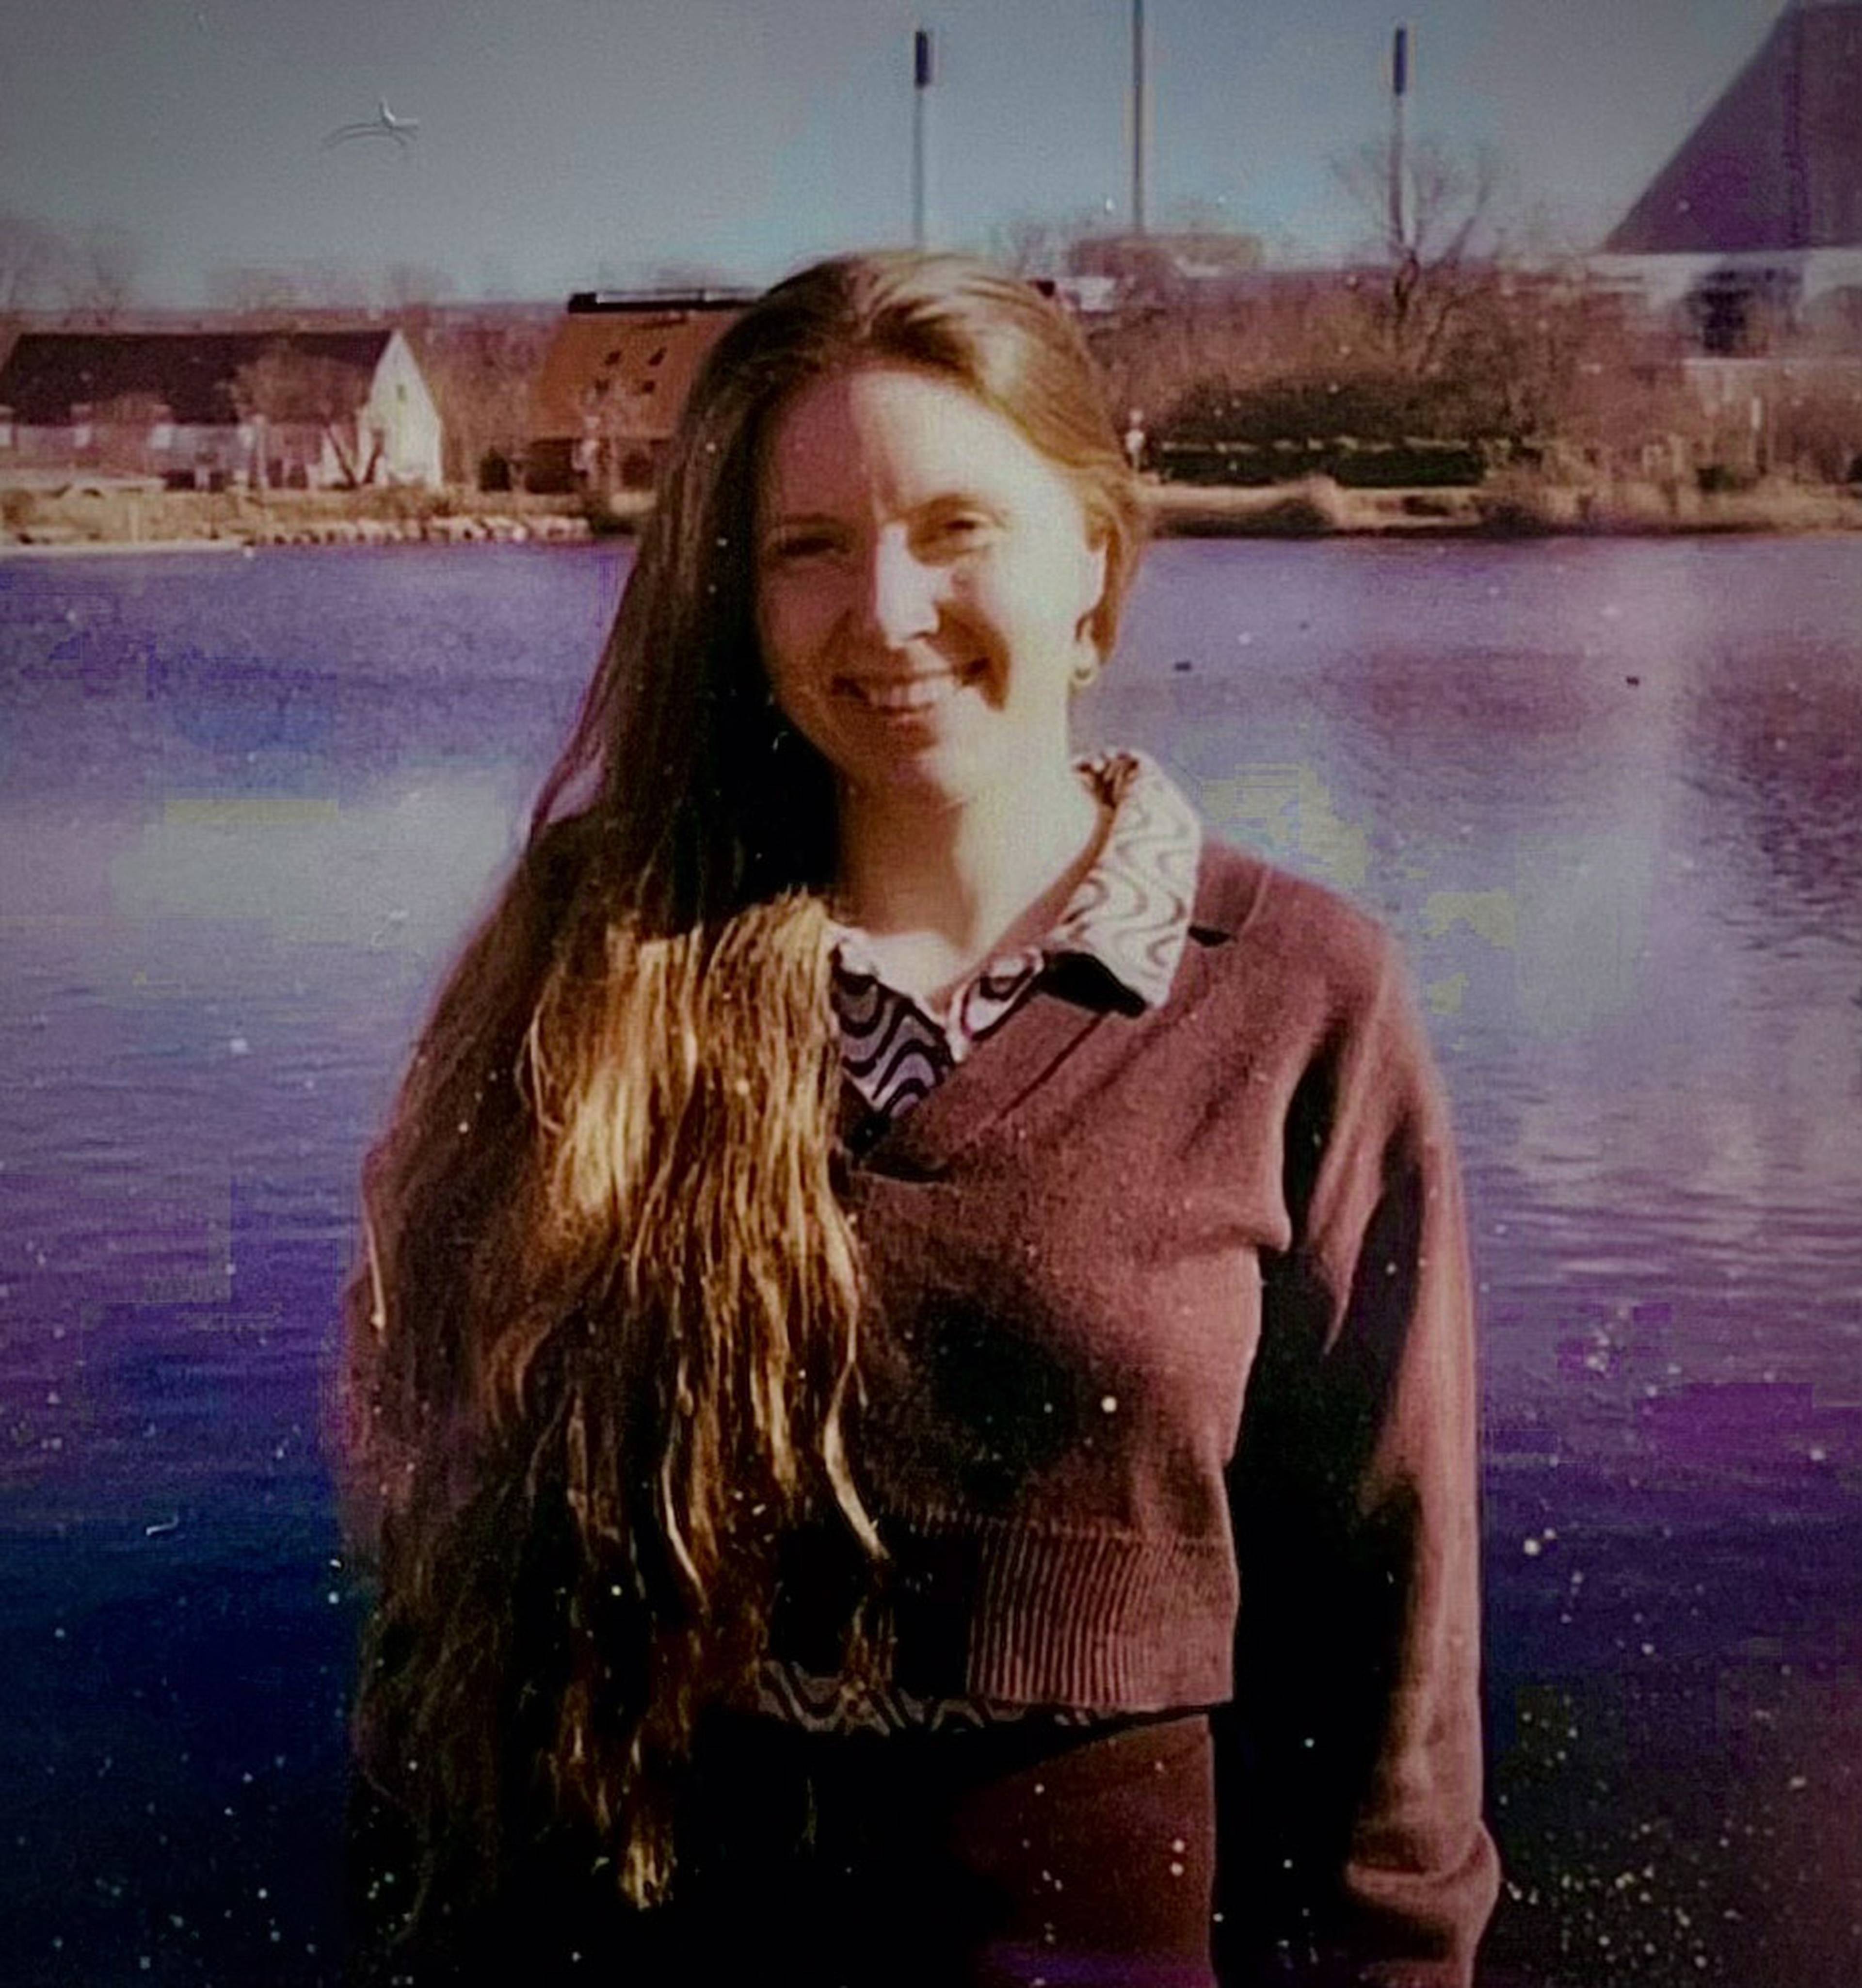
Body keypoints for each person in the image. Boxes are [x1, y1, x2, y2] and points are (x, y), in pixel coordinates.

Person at [340, 250, 1499, 1987]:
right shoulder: (609, 951)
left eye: (960, 528)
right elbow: (448, 1572)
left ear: (1095, 567)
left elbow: (1391, 1643)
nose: (883, 609)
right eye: (811, 547)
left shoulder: (1301, 996)